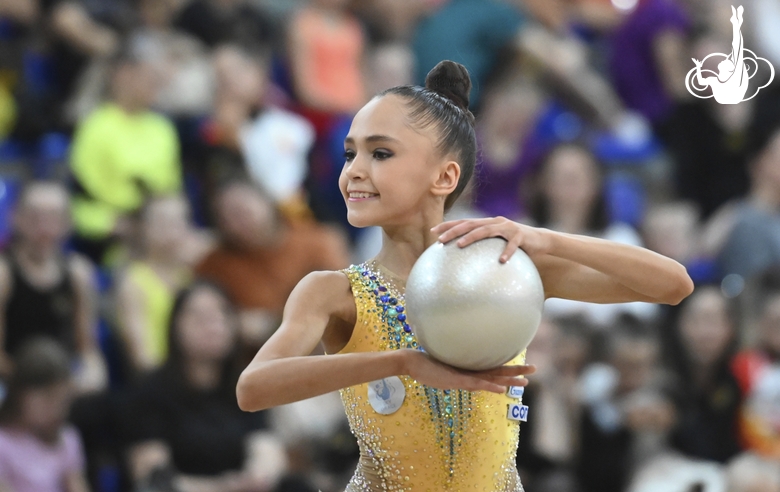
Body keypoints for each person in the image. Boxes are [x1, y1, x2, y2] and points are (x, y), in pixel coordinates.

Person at [236, 61, 694, 491]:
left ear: (444, 176)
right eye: (349, 153)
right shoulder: (333, 290)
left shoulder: (508, 268)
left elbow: (673, 285)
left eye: (380, 153)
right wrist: (399, 362)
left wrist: (549, 239)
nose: (354, 171)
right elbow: (254, 388)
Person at [121, 281, 288, 492]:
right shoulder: (150, 391)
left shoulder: (248, 384)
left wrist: (258, 476)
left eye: (222, 315)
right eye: (200, 317)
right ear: (175, 326)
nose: (214, 325)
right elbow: (152, 476)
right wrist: (223, 487)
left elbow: (266, 447)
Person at [69, 44, 182, 265]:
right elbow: (83, 196)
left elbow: (171, 191)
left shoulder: (163, 128)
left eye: (159, 78)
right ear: (123, 74)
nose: (157, 83)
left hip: (157, 226)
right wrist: (124, 225)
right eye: (150, 75)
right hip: (112, 229)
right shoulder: (95, 126)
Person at [0, 181, 106, 392]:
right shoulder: (4, 274)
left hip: (62, 380)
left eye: (53, 217)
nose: (44, 227)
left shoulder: (78, 273)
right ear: (16, 217)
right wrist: (35, 386)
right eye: (35, 217)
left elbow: (87, 349)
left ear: (67, 223)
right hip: (13, 381)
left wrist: (93, 375)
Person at [115, 195, 196, 375]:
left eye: (179, 221)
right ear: (144, 228)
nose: (172, 230)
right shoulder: (133, 283)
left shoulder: (196, 272)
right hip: (165, 379)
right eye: (163, 222)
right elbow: (143, 358)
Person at [0, 338, 90, 492]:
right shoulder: (3, 444)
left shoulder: (67, 439)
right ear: (21, 394)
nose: (58, 410)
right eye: (49, 399)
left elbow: (76, 486)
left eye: (63, 402)